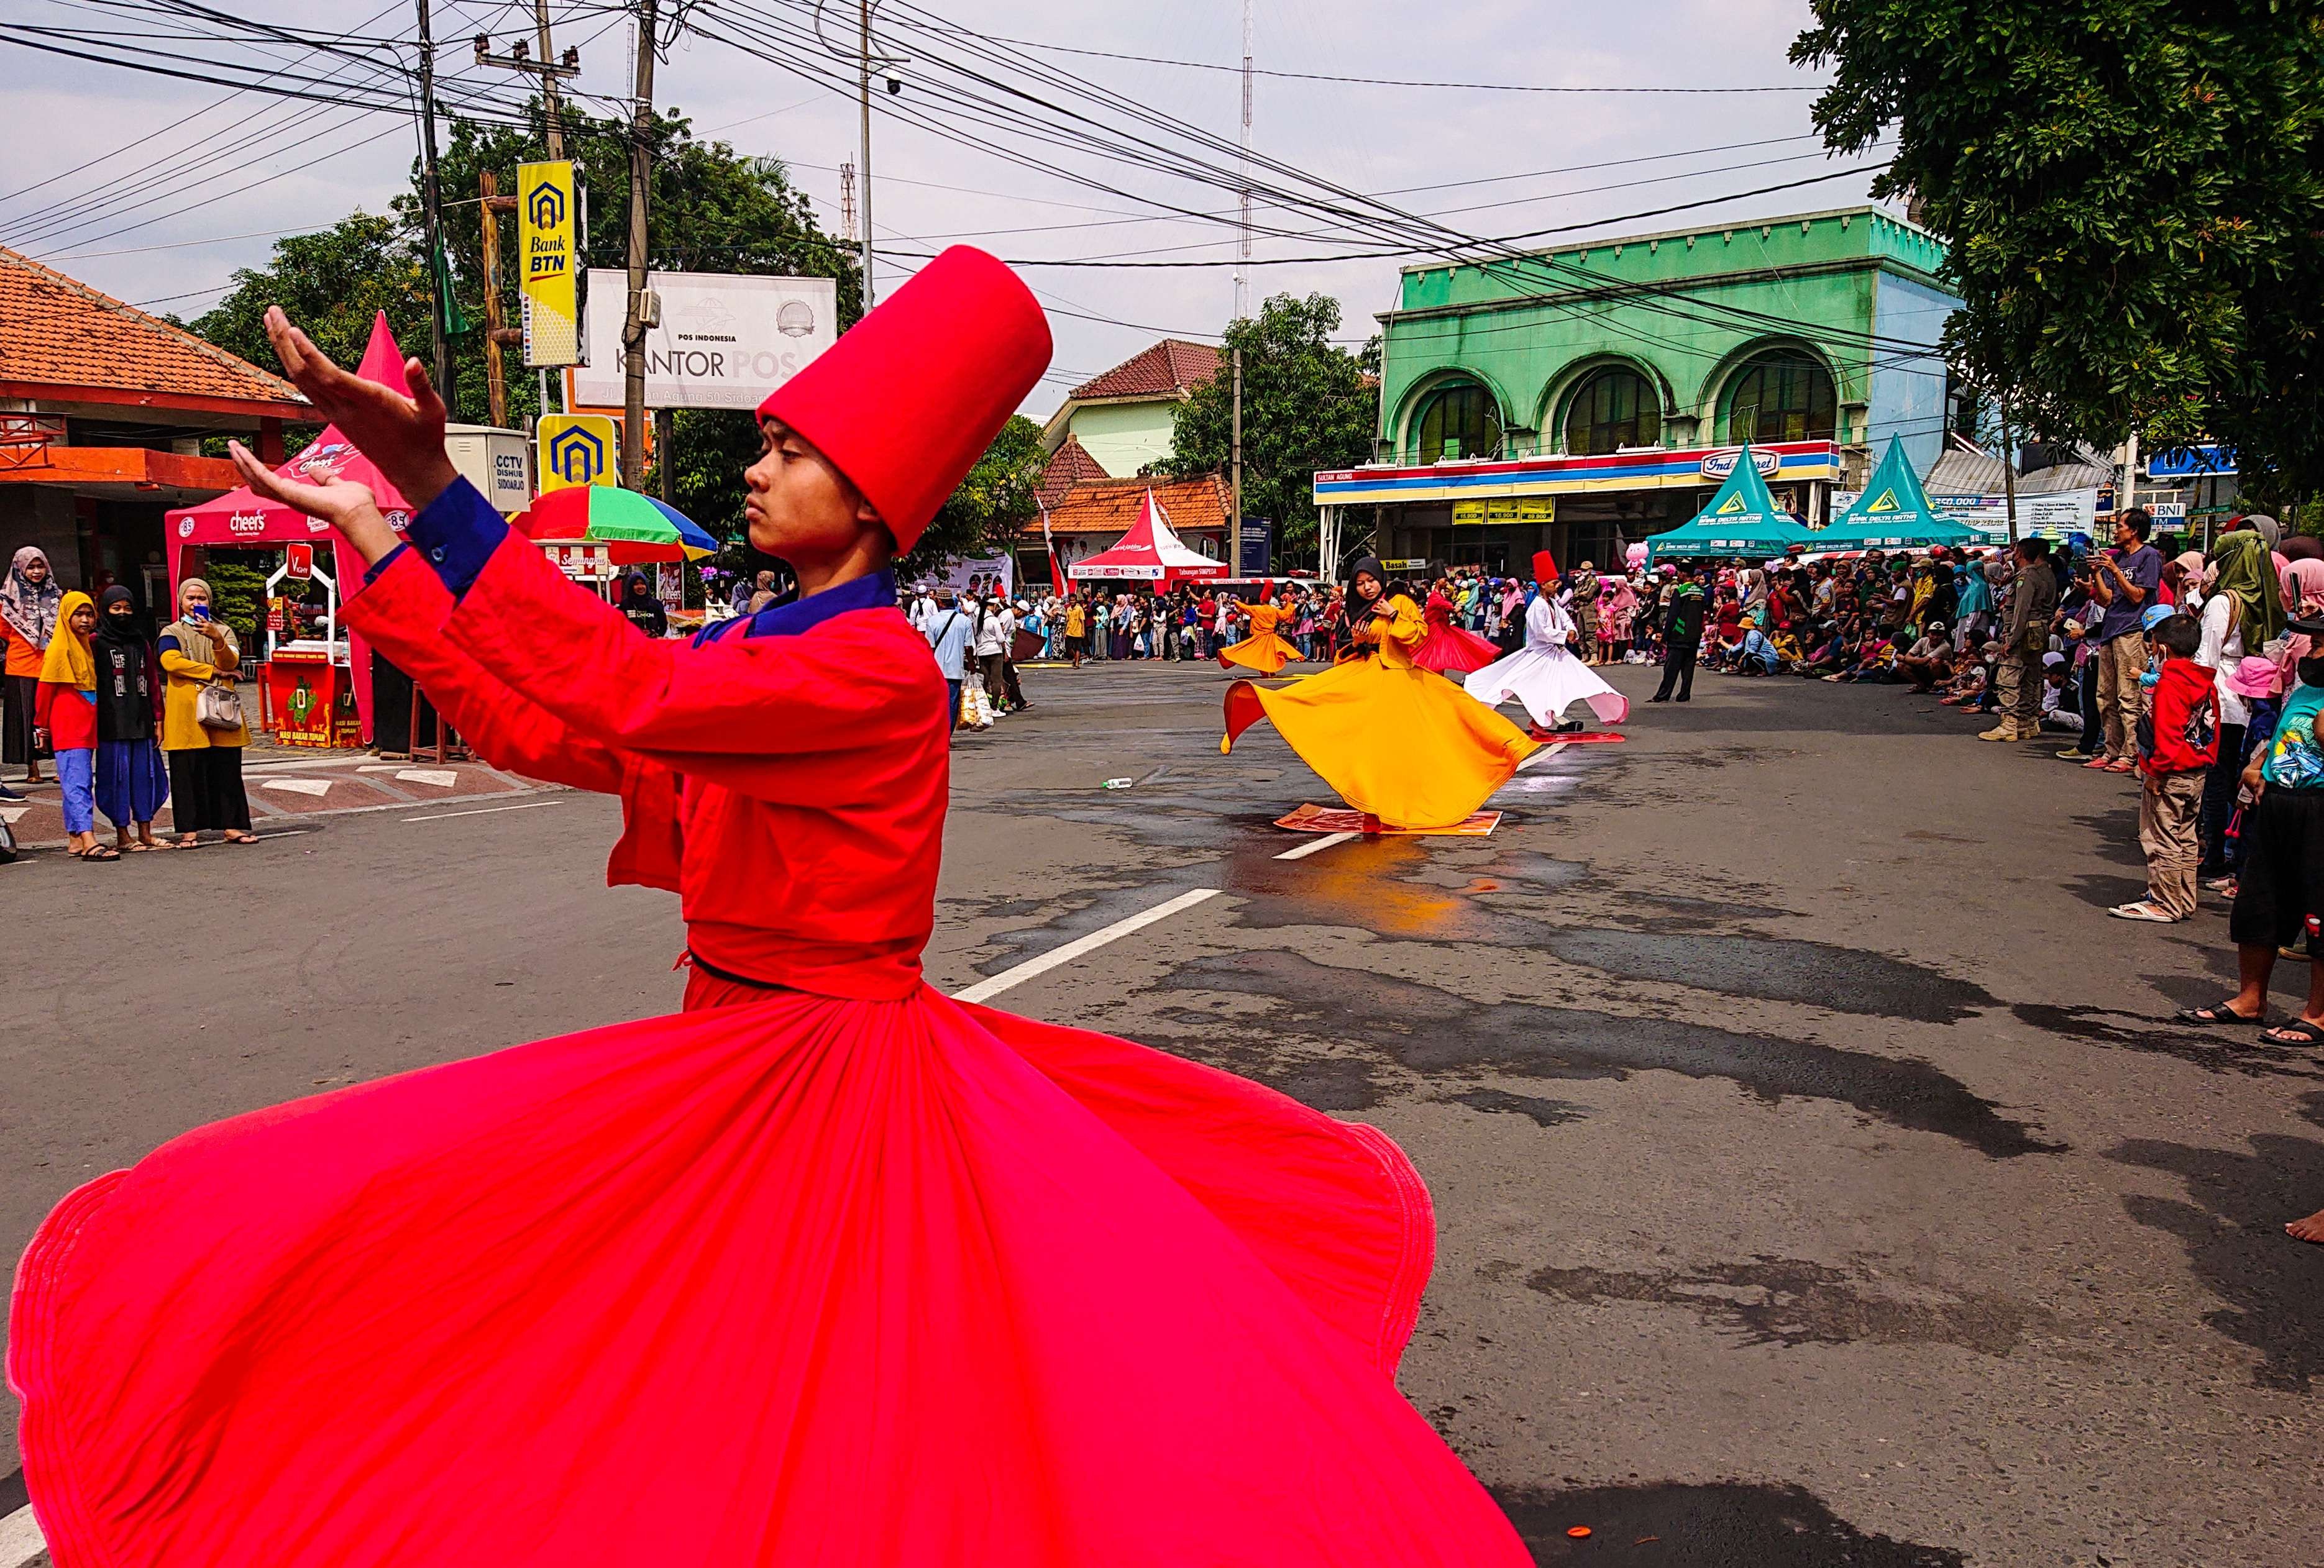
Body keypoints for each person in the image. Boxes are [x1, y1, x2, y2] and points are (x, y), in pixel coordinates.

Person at [13, 253, 1533, 1567]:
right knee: (728, 1382)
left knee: (818, 1403)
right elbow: (554, 728)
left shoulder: (863, 663)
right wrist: (385, 550)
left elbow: (621, 683)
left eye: (792, 449)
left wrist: (429, 490)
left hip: (824, 1075)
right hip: (735, 1052)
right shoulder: (767, 643)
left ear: (865, 501)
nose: (755, 465)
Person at [1222, 555, 1538, 830]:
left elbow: (1418, 636)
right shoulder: (1353, 611)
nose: (1367, 587)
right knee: (1360, 738)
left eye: (1371, 580)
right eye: (1360, 583)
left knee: (1449, 724)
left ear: (1381, 580)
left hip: (1403, 681)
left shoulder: (1400, 602)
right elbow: (1346, 651)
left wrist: (1394, 616)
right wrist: (1358, 643)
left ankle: (1491, 758)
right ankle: (1375, 807)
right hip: (1369, 679)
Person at [2180, 632, 2324, 1044]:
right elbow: (2284, 731)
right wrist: (2260, 763)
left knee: (2319, 914)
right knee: (2259, 905)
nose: (2309, 651)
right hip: (2280, 804)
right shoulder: (2307, 688)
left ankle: (2318, 1014)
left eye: (2318, 645)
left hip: (2319, 810)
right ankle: (2251, 999)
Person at [2109, 614, 2218, 922]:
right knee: (2186, 837)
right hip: (2196, 769)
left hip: (2171, 771)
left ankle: (2165, 903)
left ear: (2164, 648)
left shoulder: (2171, 682)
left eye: (2154, 644)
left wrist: (2157, 771)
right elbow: (2212, 727)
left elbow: (2168, 733)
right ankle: (2183, 900)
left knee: (2161, 837)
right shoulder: (2204, 679)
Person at [1464, 552, 1629, 731]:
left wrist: (1571, 630)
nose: (1557, 586)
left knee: (1583, 680)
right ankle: (1534, 722)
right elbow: (1541, 632)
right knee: (1531, 688)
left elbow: (1565, 619)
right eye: (1553, 583)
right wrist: (1563, 636)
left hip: (1556, 653)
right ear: (1543, 585)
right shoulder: (1537, 605)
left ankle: (1607, 710)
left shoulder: (1552, 603)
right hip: (1539, 655)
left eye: (1557, 583)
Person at [157, 576, 257, 847]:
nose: (196, 603)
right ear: (181, 602)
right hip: (186, 710)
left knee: (226, 769)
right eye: (190, 598)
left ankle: (233, 826)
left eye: (201, 598)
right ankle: (190, 830)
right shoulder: (172, 631)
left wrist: (216, 639)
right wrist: (212, 671)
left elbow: (231, 660)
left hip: (221, 708)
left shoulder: (223, 630)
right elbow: (170, 662)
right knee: (187, 772)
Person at [91, 584, 171, 852]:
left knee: (146, 777)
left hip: (141, 719)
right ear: (105, 610)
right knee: (116, 778)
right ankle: (123, 836)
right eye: (116, 609)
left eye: (127, 608)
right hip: (111, 723)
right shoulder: (96, 642)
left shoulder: (141, 642)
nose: (122, 613)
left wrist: (158, 720)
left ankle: (146, 833)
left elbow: (151, 680)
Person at [2083, 509, 2164, 770]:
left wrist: (2115, 570)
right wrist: (2096, 574)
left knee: (2129, 696)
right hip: (2110, 630)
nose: (2116, 531)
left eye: (2120, 526)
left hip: (2133, 631)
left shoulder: (2148, 557)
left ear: (2135, 530)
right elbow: (2107, 599)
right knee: (2105, 695)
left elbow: (2138, 596)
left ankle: (2131, 754)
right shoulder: (2114, 558)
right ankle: (2111, 749)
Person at [35, 590, 112, 859]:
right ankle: (89, 838)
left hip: (85, 722)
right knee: (77, 781)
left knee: (75, 780)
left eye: (89, 614)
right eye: (78, 614)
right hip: (68, 723)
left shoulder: (84, 645)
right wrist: (41, 727)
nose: (85, 620)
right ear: (66, 616)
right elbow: (44, 692)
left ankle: (75, 839)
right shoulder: (60, 647)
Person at [1980, 537, 2059, 742]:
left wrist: (2010, 640)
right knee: (2030, 678)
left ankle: (2009, 724)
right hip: (2038, 630)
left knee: (2009, 677)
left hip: (2024, 632)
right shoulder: (2047, 575)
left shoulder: (2026, 577)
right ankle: (2026, 721)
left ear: (2020, 554)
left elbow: (2021, 611)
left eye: (2015, 552)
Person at [2, 543, 63, 791]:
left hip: (53, 665)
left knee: (57, 718)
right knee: (27, 718)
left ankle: (61, 766)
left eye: (40, 566)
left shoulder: (57, 595)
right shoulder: (8, 597)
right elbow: (4, 630)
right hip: (21, 666)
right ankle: (33, 768)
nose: (37, 572)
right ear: (20, 569)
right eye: (31, 567)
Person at [1411, 579, 1501, 675]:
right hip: (1435, 629)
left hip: (1441, 628)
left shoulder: (1439, 596)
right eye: (1444, 580)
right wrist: (1457, 608)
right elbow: (1450, 607)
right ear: (1437, 581)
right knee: (1436, 653)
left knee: (1443, 652)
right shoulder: (1435, 597)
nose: (1446, 583)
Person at [1649, 561, 1706, 703]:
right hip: (1694, 635)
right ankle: (1684, 694)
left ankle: (1663, 695)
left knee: (1671, 668)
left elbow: (1672, 616)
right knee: (1688, 668)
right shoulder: (1701, 592)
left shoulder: (1680, 591)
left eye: (1679, 573)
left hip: (1679, 634)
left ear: (1684, 574)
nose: (1677, 575)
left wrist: (1665, 636)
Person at [922, 585, 972, 734]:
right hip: (955, 669)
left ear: (940, 602)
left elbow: (930, 647)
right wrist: (972, 665)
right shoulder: (964, 621)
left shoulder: (932, 621)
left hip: (936, 670)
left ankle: (937, 733)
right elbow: (968, 647)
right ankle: (946, 735)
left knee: (937, 704)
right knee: (952, 704)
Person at [1216, 585, 1300, 675]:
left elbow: (1245, 608)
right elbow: (1285, 615)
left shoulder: (1257, 609)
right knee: (1270, 655)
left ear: (1262, 600)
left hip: (1259, 638)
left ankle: (1266, 671)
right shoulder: (1273, 610)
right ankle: (1271, 670)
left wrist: (1236, 602)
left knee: (1252, 653)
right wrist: (1290, 605)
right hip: (1270, 638)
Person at [1896, 620, 1954, 692]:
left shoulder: (1945, 646)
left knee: (1935, 662)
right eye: (1933, 634)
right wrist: (1907, 659)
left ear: (1943, 635)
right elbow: (1909, 655)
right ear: (1928, 634)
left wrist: (1904, 658)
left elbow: (1923, 661)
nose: (1935, 637)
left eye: (1939, 635)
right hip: (1925, 669)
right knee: (1901, 665)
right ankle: (1921, 685)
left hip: (1942, 672)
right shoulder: (1923, 641)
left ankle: (1936, 686)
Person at [617, 573, 669, 639]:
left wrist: (659, 636)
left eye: (642, 583)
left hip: (652, 644)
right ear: (631, 587)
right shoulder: (625, 605)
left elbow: (663, 625)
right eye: (636, 584)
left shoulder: (656, 604)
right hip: (632, 645)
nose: (640, 587)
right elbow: (619, 626)